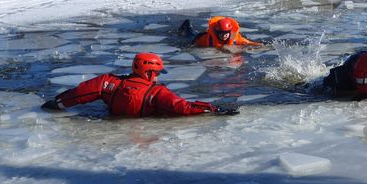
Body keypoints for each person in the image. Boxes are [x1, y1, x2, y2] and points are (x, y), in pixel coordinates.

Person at [41, 52, 239, 117]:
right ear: (149, 72)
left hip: (114, 125)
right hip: (140, 135)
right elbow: (183, 107)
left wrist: (56, 103)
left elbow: (79, 94)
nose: (158, 77)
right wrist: (214, 108)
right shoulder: (157, 92)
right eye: (157, 73)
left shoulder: (109, 82)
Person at [179, 16, 262, 48]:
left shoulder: (236, 38)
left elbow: (249, 42)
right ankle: (186, 25)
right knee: (190, 33)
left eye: (226, 33)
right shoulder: (207, 39)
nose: (224, 35)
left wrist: (261, 45)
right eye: (221, 33)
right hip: (197, 36)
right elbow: (194, 42)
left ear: (230, 32)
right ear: (217, 32)